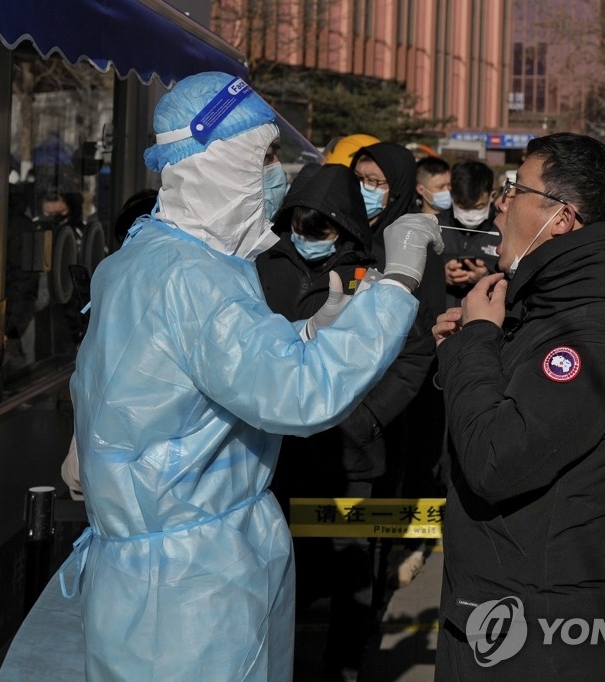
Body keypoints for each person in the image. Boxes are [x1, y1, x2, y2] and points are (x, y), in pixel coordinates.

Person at [64, 71, 443, 682]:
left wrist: (310, 333)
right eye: (264, 156)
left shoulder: (146, 256)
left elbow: (145, 375)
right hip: (192, 585)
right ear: (216, 162)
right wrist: (396, 285)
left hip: (164, 566)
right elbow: (299, 394)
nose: (277, 173)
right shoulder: (196, 280)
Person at [431, 133, 605, 681]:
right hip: (503, 616)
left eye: (516, 189)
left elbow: (496, 458)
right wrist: (471, 349)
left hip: (543, 635)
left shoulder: (596, 331)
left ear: (562, 218)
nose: (500, 204)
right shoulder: (552, 308)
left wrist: (477, 342)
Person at [254, 163, 381, 680]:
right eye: (299, 225)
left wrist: (364, 415)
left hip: (346, 451)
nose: (305, 238)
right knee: (280, 569)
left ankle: (344, 668)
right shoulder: (262, 265)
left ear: (345, 227)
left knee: (351, 570)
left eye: (319, 229)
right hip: (276, 449)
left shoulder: (369, 275)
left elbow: (409, 355)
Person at [351, 142, 447, 598]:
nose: (365, 191)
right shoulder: (341, 234)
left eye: (377, 183)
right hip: (337, 406)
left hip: (390, 405)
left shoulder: (415, 241)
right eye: (359, 179)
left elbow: (420, 329)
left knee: (385, 499)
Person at [438, 160, 499, 309]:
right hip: (438, 317)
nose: (470, 214)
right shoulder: (434, 226)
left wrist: (487, 277)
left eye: (478, 206)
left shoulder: (504, 230)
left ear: (492, 195)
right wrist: (438, 275)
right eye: (463, 206)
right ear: (451, 194)